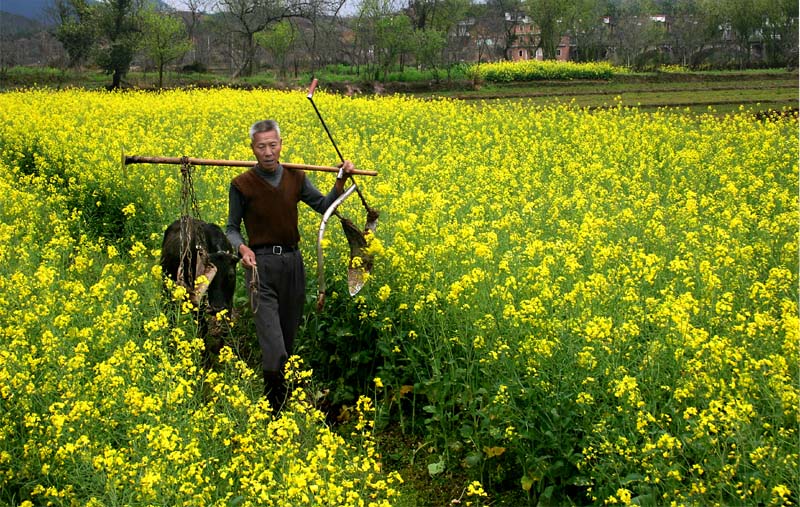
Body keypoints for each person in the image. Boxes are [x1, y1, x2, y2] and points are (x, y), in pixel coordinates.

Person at [226, 119, 355, 411]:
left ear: (281, 145)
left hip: (293, 264)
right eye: (262, 146)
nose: (268, 152)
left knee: (287, 338)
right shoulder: (241, 185)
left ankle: (283, 399)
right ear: (253, 149)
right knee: (274, 346)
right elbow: (231, 228)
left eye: (273, 145)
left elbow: (324, 206)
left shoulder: (295, 178)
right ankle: (274, 410)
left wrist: (340, 180)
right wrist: (242, 247)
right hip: (260, 268)